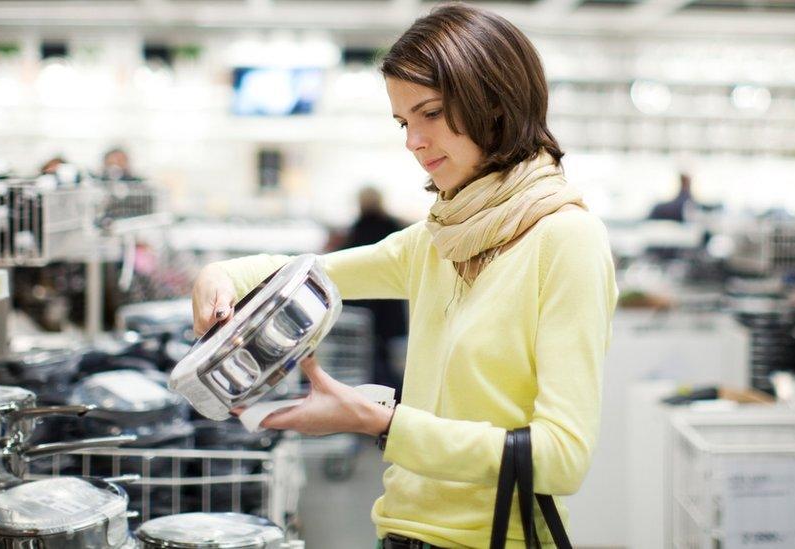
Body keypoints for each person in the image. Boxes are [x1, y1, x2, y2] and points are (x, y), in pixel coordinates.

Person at [191, 4, 617, 548]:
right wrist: (220, 273)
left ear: (495, 100)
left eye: (431, 113)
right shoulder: (439, 238)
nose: (413, 141)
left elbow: (563, 459)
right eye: (403, 122)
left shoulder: (566, 240)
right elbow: (310, 273)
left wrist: (383, 424)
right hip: (398, 533)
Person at [341, 186, 408, 400]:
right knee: (385, 356)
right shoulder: (392, 226)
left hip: (365, 305)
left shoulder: (358, 228)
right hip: (388, 304)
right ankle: (393, 396)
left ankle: (379, 396)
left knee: (369, 357)